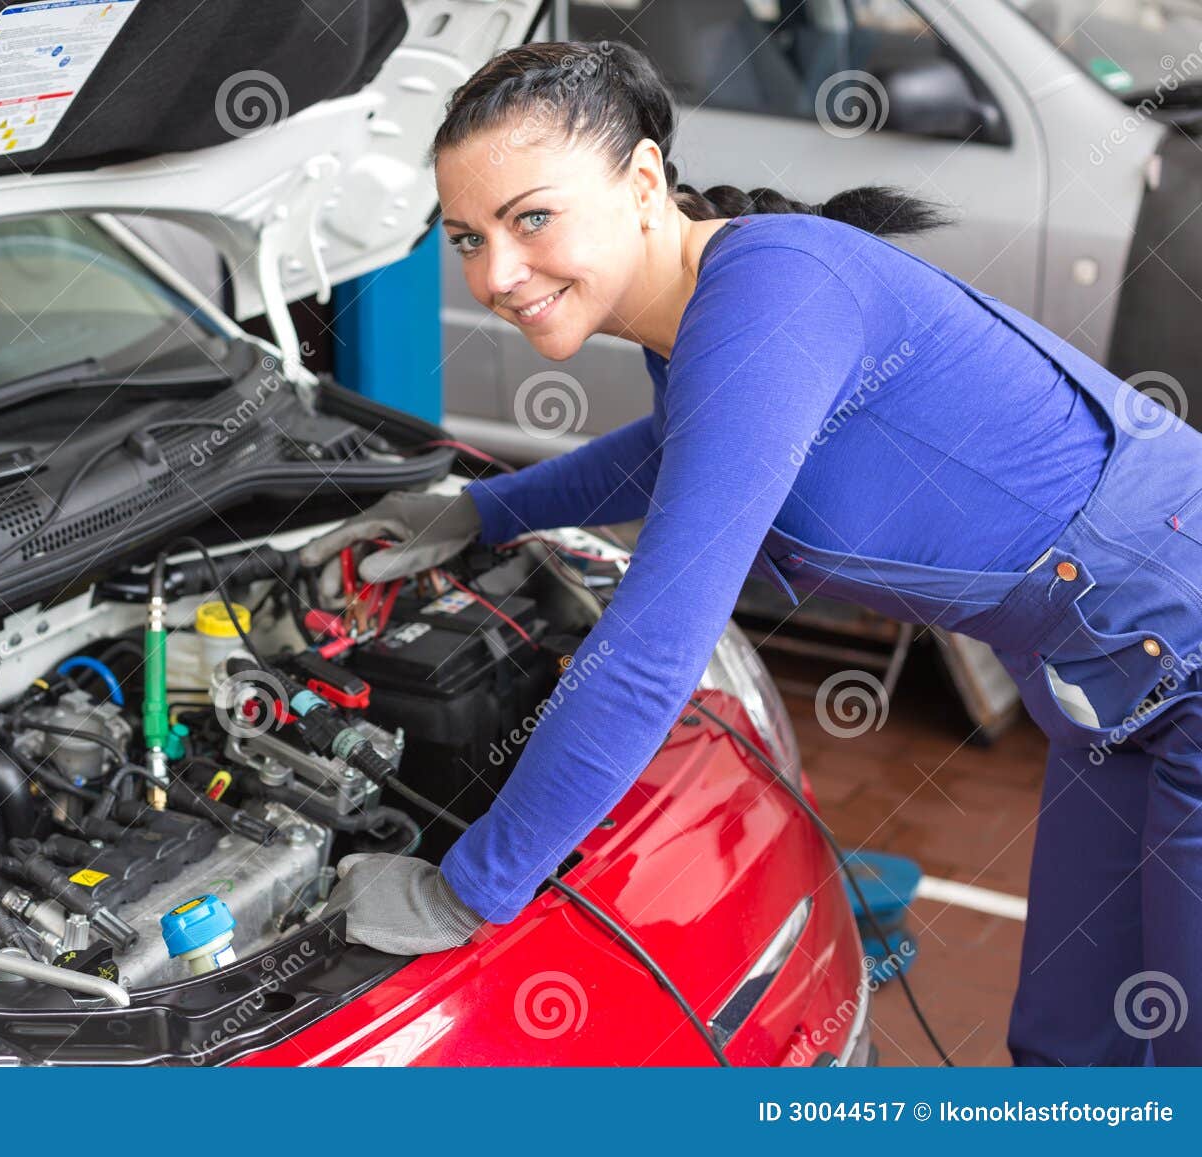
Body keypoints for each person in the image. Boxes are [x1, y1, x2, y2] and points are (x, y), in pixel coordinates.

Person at [309, 39, 1202, 1066]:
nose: (495, 272)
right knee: (1072, 1048)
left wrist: (464, 888)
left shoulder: (772, 290)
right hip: (1104, 681)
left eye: (531, 218)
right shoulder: (704, 310)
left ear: (643, 181)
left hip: (1177, 636)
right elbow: (673, 452)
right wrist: (481, 510)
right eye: (467, 235)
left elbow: (653, 647)